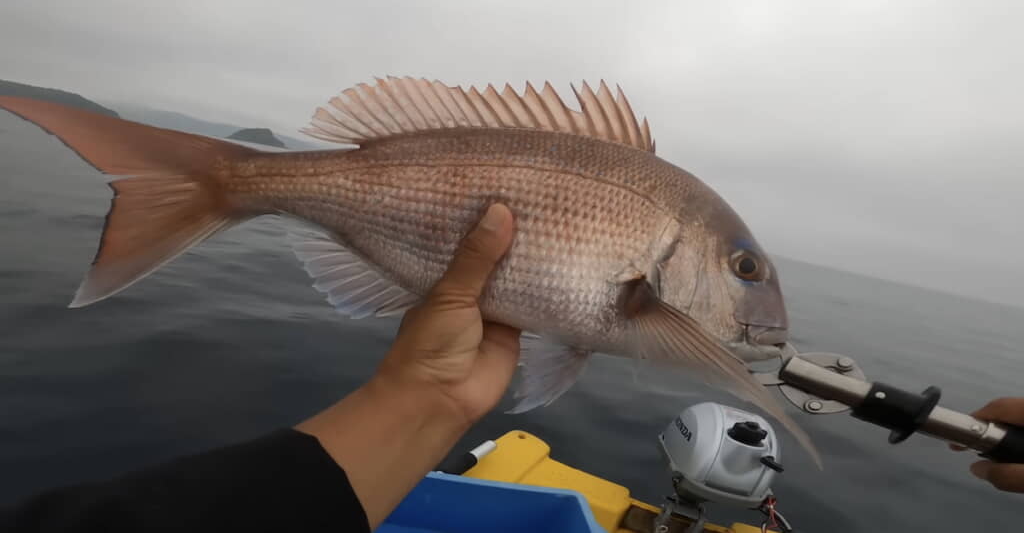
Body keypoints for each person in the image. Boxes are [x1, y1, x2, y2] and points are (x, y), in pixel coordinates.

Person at [1, 203, 1022, 532]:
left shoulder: (640, 307)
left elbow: (566, 343)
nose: (752, 290)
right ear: (678, 264)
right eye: (742, 270)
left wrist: (434, 392)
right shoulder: (642, 288)